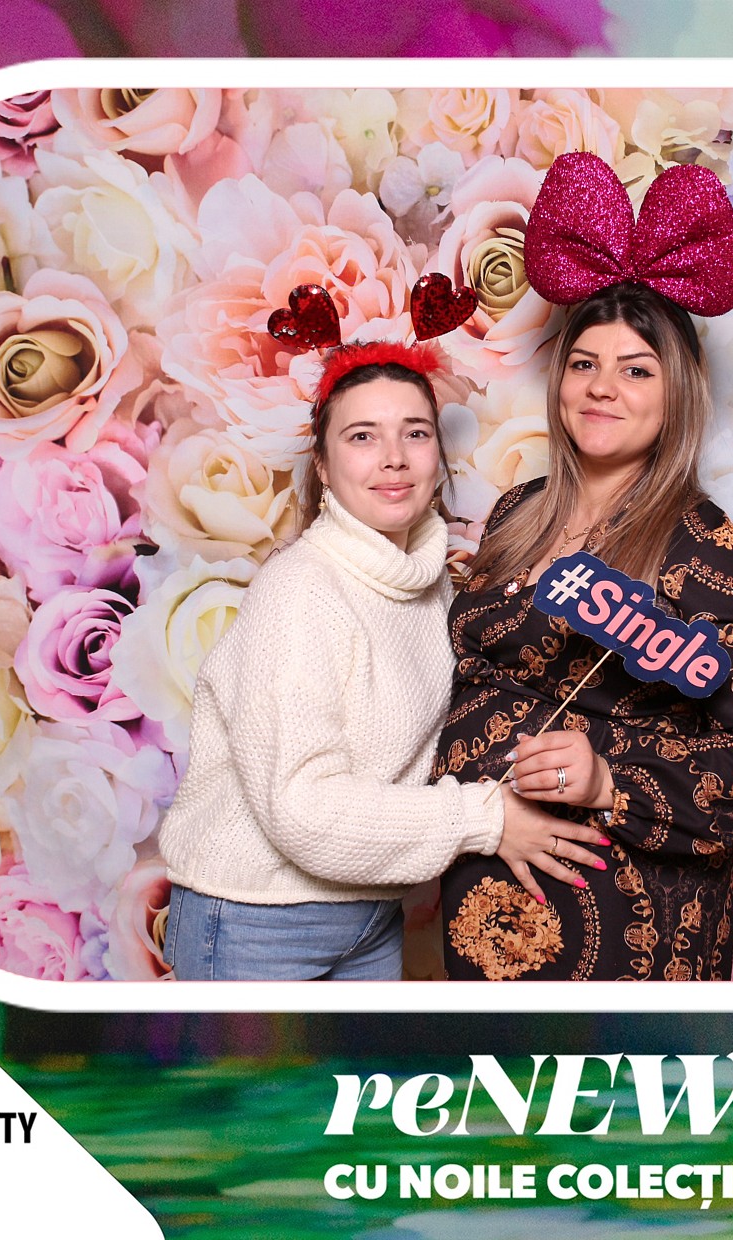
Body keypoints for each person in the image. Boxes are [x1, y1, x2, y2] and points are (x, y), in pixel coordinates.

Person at [433, 153, 733, 980]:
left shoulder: (717, 553)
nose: (602, 388)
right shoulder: (517, 514)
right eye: (584, 364)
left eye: (636, 370)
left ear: (677, 392)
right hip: (484, 924)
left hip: (633, 940)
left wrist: (610, 780)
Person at [158, 341, 610, 981]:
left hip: (370, 915)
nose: (393, 457)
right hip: (256, 920)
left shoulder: (435, 586)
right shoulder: (301, 590)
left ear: (437, 455)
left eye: (415, 433)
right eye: (363, 436)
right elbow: (303, 810)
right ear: (323, 463)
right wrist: (487, 817)